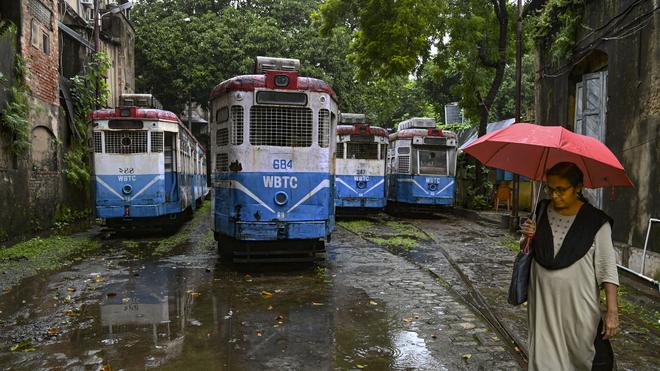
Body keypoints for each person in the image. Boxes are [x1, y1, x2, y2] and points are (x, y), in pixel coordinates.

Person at [520, 162, 619, 370]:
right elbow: (527, 250)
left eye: (561, 190)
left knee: (579, 360)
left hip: (578, 309)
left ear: (578, 188)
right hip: (543, 305)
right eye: (550, 188)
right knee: (543, 359)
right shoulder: (540, 209)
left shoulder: (596, 221)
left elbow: (607, 268)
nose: (554, 195)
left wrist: (612, 311)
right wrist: (527, 237)